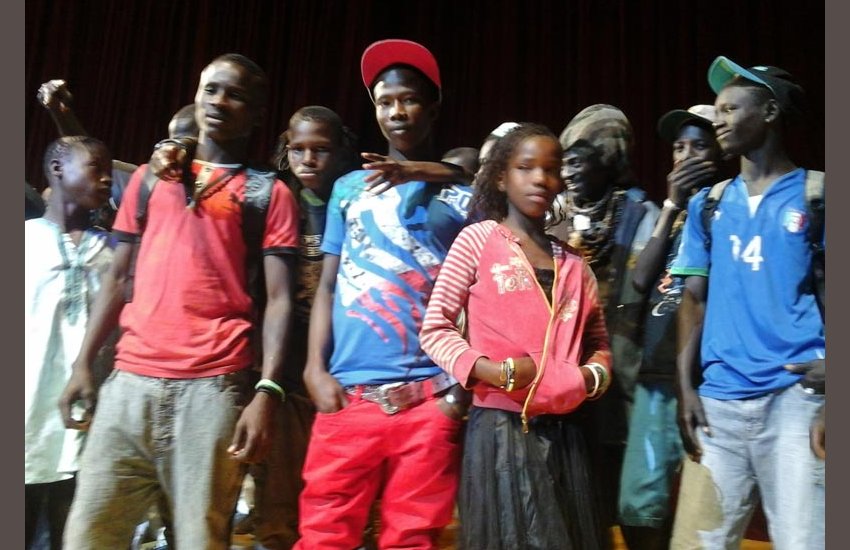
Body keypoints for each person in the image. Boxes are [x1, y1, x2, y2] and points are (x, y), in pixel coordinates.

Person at [58, 53, 300, 549]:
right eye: (211, 89)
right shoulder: (149, 179)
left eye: (235, 95)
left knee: (198, 539)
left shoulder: (269, 194)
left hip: (213, 389)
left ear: (256, 114)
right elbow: (117, 278)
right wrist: (84, 363)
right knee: (88, 534)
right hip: (129, 385)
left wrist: (267, 391)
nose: (219, 101)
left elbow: (278, 300)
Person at [295, 39, 472, 549]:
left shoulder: (463, 196)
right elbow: (328, 283)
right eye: (384, 101)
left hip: (429, 397)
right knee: (323, 534)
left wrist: (457, 394)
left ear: (432, 108)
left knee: (413, 538)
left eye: (409, 99)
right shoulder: (348, 189)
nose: (396, 111)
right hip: (348, 395)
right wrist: (314, 368)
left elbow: (478, 296)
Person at [420, 123, 611, 550]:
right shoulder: (478, 240)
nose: (540, 178)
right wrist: (493, 371)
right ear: (502, 178)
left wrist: (589, 378)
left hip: (566, 430)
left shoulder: (574, 262)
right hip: (501, 429)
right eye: (526, 168)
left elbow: (597, 341)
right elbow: (435, 328)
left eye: (551, 169)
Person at [669, 56, 825, 550]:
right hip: (718, 403)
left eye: (730, 109)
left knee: (804, 541)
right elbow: (692, 299)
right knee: (696, 544)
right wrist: (686, 388)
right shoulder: (708, 204)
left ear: (770, 112)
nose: (718, 120)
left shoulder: (819, 195)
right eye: (717, 110)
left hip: (796, 400)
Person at [247, 105, 360, 550]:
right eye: (298, 149)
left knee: (341, 478)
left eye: (321, 150)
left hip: (344, 354)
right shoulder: (275, 199)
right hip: (287, 357)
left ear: (340, 152)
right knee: (281, 474)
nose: (308, 159)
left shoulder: (355, 200)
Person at [548, 104, 660, 534]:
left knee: (627, 502)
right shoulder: (551, 213)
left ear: (610, 159)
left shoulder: (641, 213)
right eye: (564, 162)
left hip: (622, 374)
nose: (568, 171)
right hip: (562, 374)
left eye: (578, 161)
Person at [616, 105, 720, 550]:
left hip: (708, 375)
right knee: (640, 506)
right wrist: (673, 204)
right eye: (679, 147)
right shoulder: (669, 215)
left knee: (704, 509)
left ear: (720, 152)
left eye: (699, 146)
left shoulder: (726, 207)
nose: (685, 156)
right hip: (658, 371)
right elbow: (641, 280)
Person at [25, 136, 114, 550]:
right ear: (58, 169)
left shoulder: (113, 250)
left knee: (75, 532)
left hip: (87, 414)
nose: (107, 178)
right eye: (97, 167)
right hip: (27, 416)